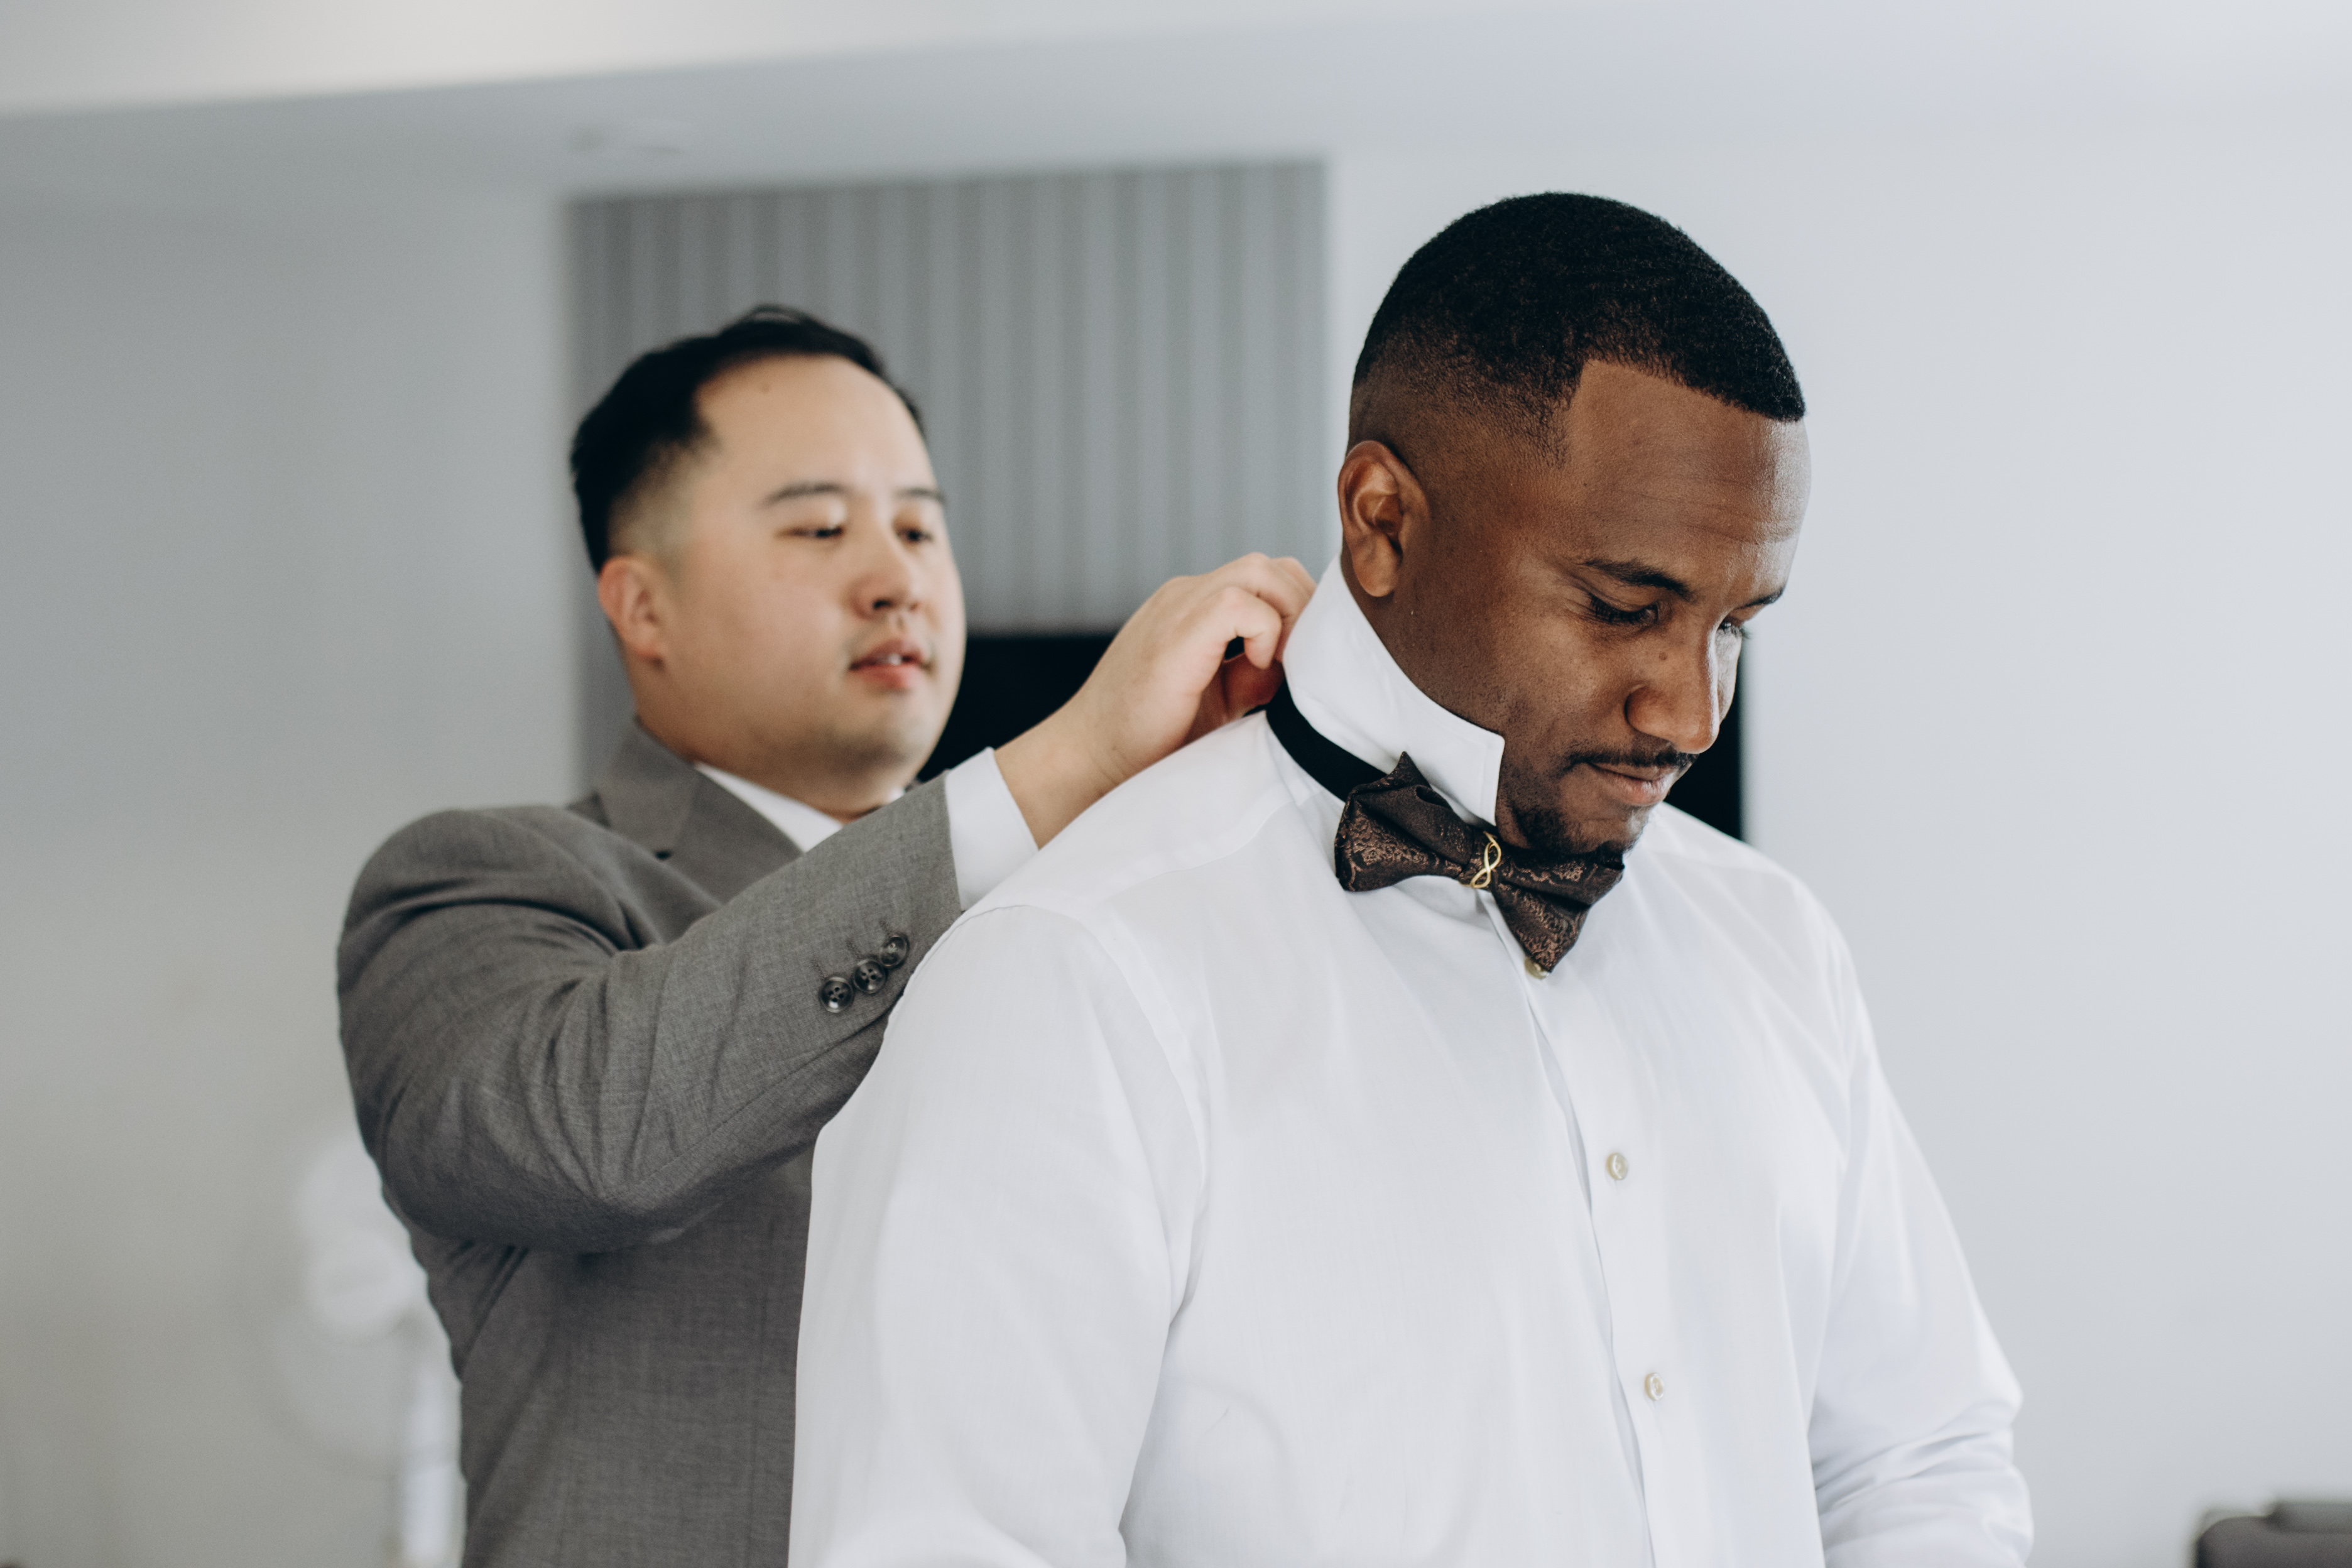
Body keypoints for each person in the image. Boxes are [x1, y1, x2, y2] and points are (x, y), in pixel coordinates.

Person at [790, 197, 2034, 1566]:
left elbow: (1924, 1461)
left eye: (1735, 626)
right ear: (1381, 520)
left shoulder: (1777, 942)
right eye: (1626, 608)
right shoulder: (1072, 979)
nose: (1692, 712)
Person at [336, 307, 1314, 1566]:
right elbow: (602, 1136)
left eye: (919, 526)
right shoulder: (479, 884)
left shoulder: (1085, 911)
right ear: (643, 606)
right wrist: (1068, 760)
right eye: (819, 528)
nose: (896, 577)